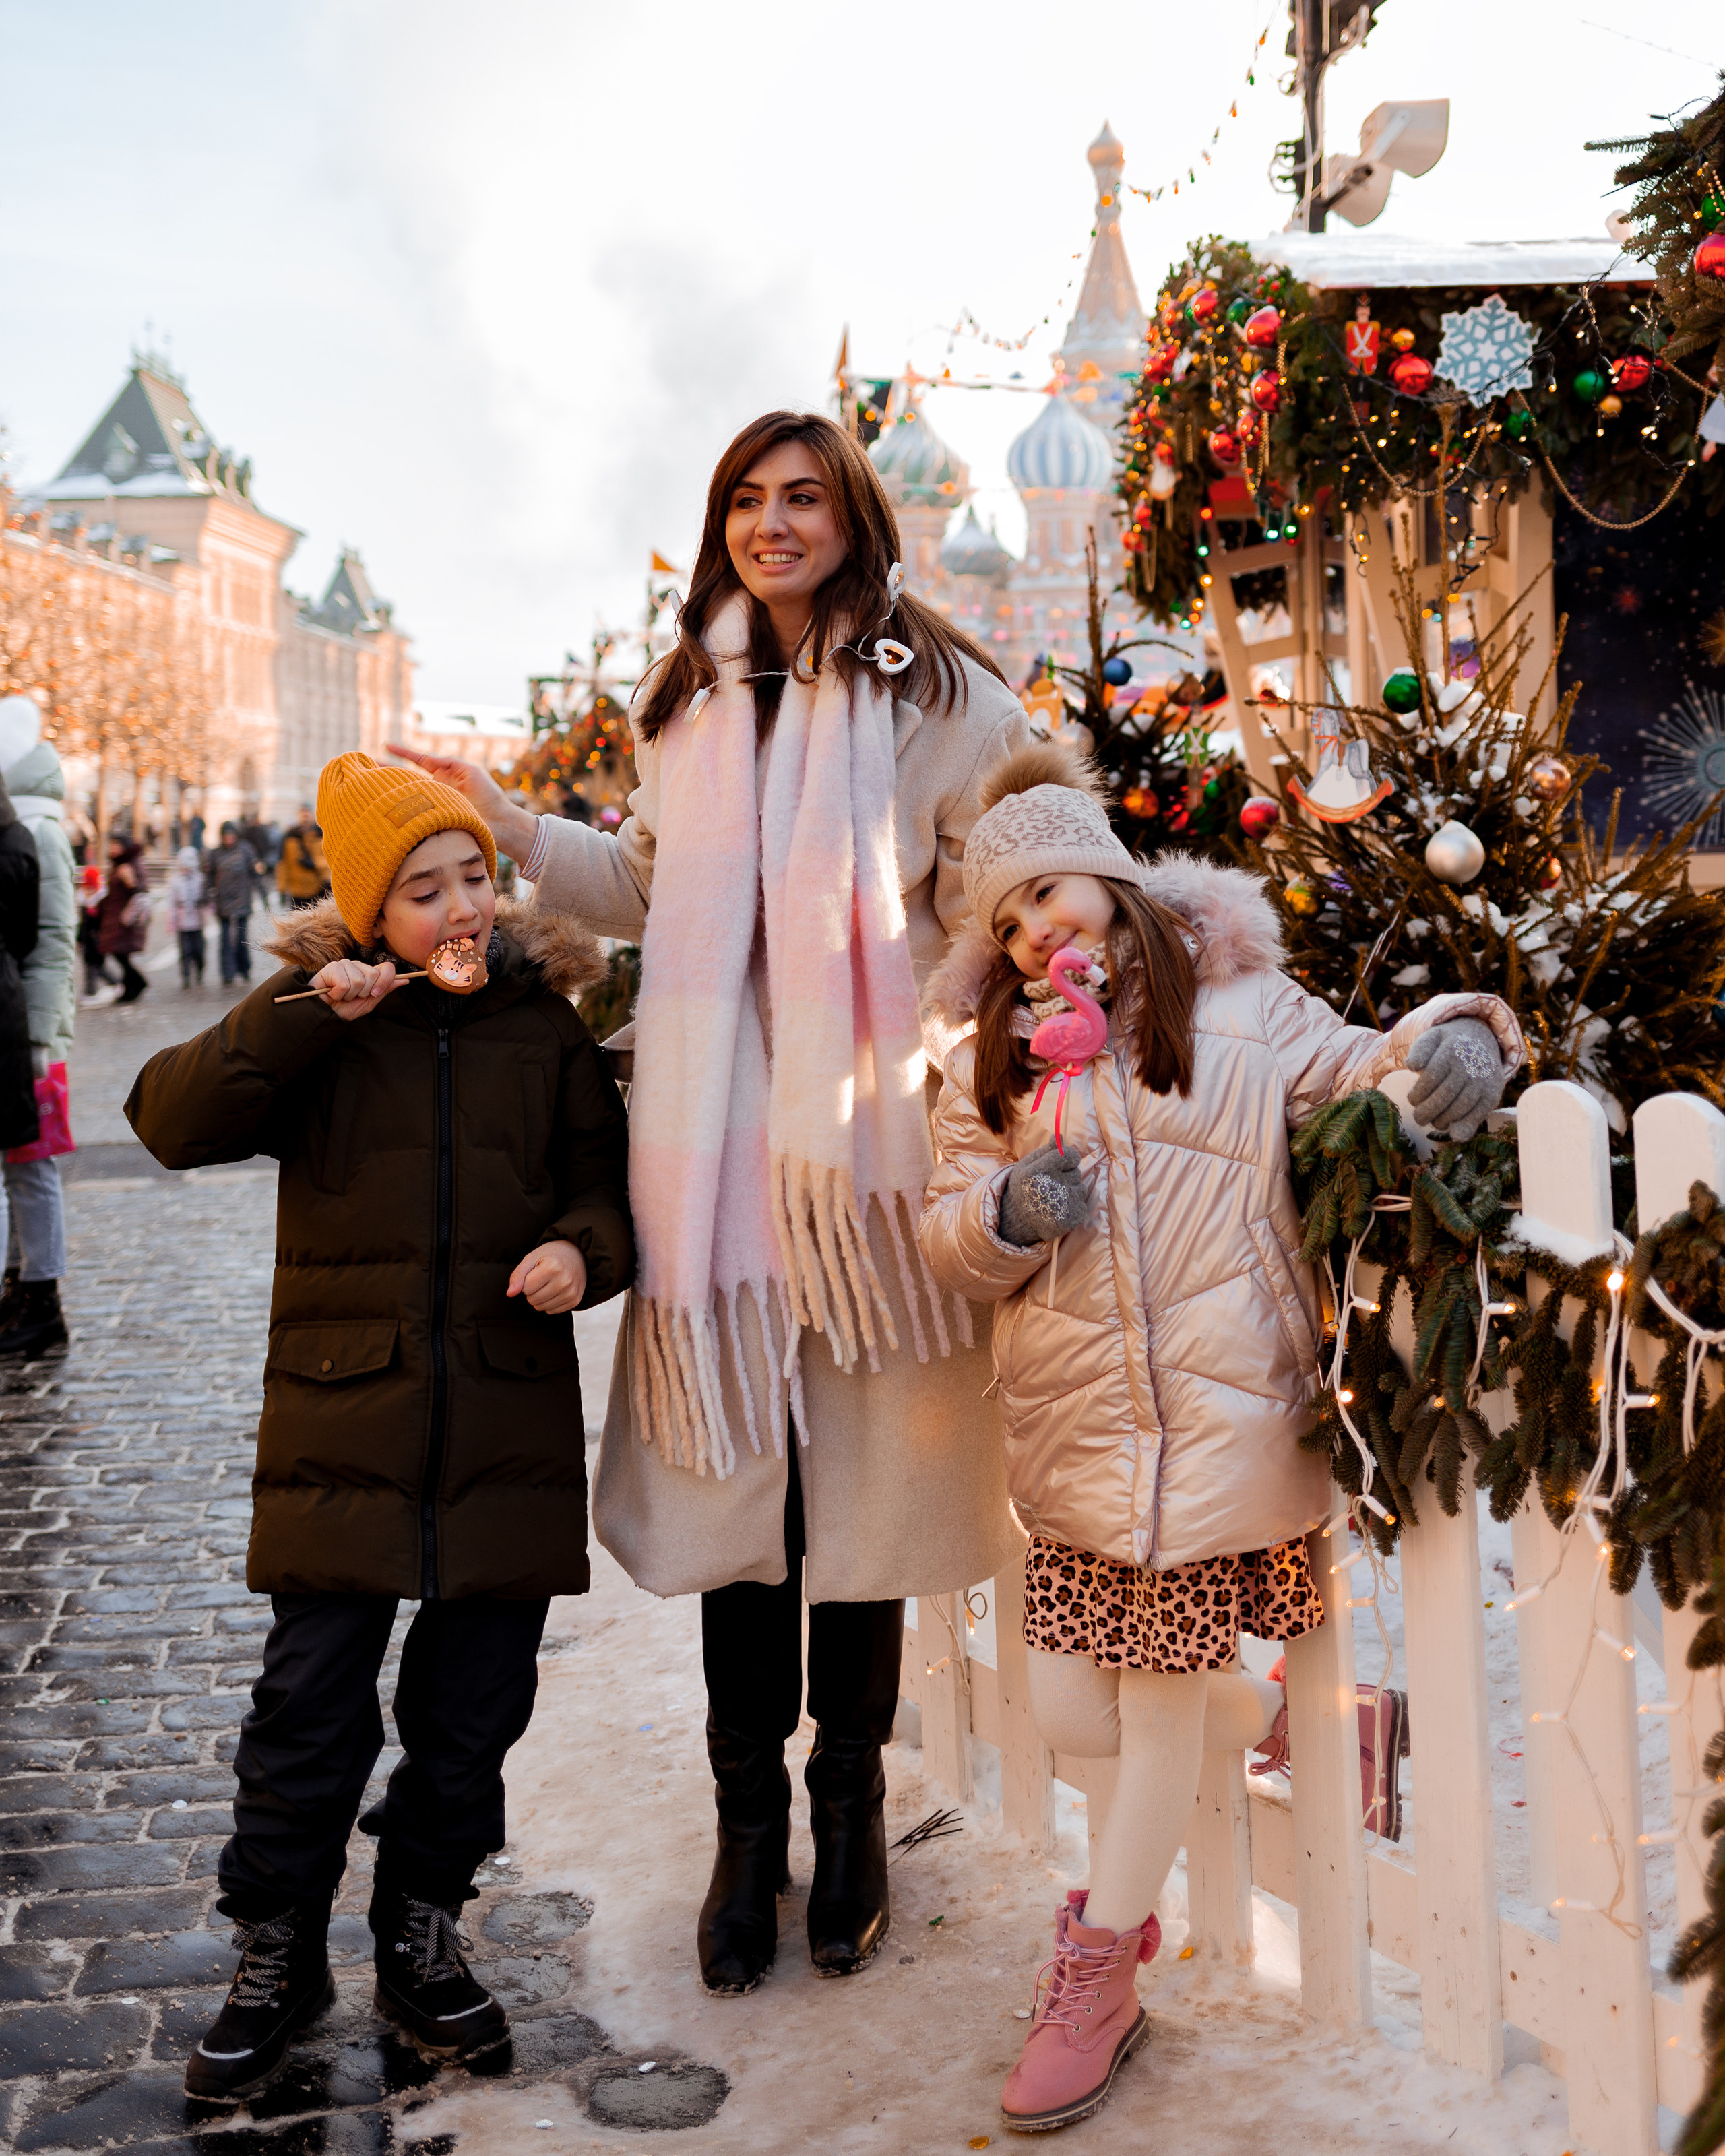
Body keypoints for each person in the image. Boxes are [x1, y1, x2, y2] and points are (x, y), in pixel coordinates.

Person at [388, 409, 1032, 1995]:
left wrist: (948, 1014)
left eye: (802, 497)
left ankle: (850, 1809)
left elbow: (1000, 884)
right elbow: (648, 884)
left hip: (860, 1163)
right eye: (746, 499)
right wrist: (515, 831)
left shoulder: (938, 693)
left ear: (853, 516)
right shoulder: (687, 697)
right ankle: (750, 1829)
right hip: (712, 1156)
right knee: (748, 1496)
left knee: (857, 1505)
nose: (771, 523)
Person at [916, 742, 1524, 2134]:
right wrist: (1008, 1215)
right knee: (1070, 1714)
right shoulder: (993, 1059)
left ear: (1108, 876)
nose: (1033, 932)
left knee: (1144, 1715)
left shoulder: (1237, 1001)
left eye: (1047, 893)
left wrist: (1462, 1033)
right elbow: (949, 1237)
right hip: (1075, 1443)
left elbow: (1366, 1064)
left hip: (1215, 1424)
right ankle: (1295, 1721)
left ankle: (1098, 1967)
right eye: (1006, 922)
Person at [126, 751, 633, 2103]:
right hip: (341, 1418)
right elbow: (168, 1119)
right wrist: (299, 1011)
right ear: (368, 914)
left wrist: (581, 1252)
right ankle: (278, 1949)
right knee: (307, 1703)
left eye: (473, 876)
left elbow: (605, 1193)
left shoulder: (543, 1027)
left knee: (474, 1707)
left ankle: (421, 1926)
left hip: (504, 1420)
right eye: (422, 890)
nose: (459, 906)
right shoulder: (319, 1024)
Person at [0, 696, 77, 1359]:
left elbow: (52, 941)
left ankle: (41, 1296)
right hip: (17, 1021)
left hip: (28, 1029)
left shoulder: (37, 828)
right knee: (18, 1162)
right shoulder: (26, 822)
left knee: (31, 1161)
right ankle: (20, 1285)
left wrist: (39, 1036)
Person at [94, 836, 150, 1004]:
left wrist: (131, 882)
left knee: (120, 954)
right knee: (120, 954)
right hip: (113, 917)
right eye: (111, 845)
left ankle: (137, 984)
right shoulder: (118, 864)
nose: (113, 849)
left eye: (116, 846)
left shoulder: (129, 865)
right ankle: (130, 988)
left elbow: (140, 890)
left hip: (124, 919)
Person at [211, 822, 258, 985]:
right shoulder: (216, 853)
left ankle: (244, 969)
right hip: (223, 902)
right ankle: (228, 973)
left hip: (242, 900)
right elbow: (209, 876)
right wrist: (206, 895)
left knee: (241, 937)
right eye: (226, 836)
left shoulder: (245, 850)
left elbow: (254, 874)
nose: (229, 839)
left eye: (232, 836)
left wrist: (264, 894)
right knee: (225, 939)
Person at [166, 846, 208, 986]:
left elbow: (207, 899)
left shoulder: (200, 879)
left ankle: (199, 971)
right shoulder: (175, 881)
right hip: (182, 922)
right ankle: (186, 975)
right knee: (185, 951)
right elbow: (172, 902)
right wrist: (172, 921)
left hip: (197, 921)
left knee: (198, 950)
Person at [276, 804, 330, 908]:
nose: (305, 817)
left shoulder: (321, 834)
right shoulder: (290, 837)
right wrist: (282, 889)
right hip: (297, 891)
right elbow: (283, 864)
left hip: (319, 888)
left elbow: (330, 860)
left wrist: (315, 863)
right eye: (302, 814)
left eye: (307, 814)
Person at [76, 864, 108, 1000]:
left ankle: (91, 992)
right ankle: (115, 984)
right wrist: (79, 938)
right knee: (93, 965)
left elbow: (100, 921)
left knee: (94, 965)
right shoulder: (83, 898)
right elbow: (83, 922)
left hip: (97, 937)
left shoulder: (101, 898)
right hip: (87, 938)